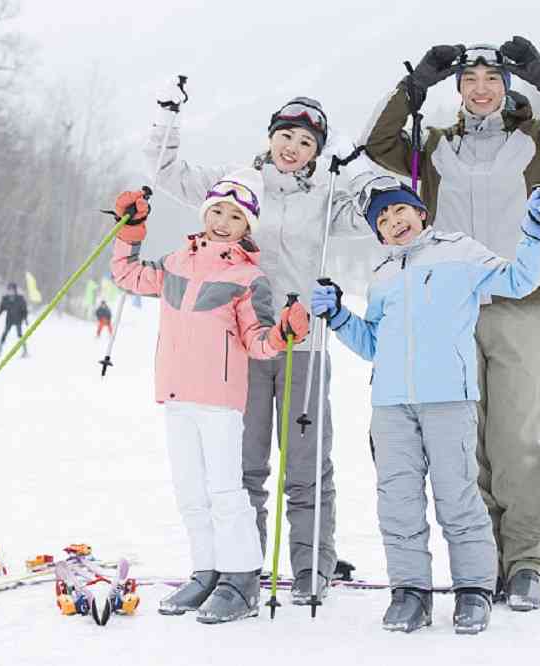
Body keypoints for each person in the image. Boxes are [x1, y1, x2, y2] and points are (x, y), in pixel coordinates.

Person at [363, 37, 540, 610]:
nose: (481, 89)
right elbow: (377, 141)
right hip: (445, 309)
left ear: (507, 88)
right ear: (457, 90)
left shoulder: (537, 139)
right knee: (464, 440)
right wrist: (413, 87)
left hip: (517, 301)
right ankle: (484, 562)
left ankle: (527, 560)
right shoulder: (431, 147)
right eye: (470, 80)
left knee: (515, 439)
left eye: (493, 80)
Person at [147, 83, 376, 603]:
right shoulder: (235, 184)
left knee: (306, 463)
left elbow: (379, 214)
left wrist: (359, 165)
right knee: (242, 466)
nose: (291, 147)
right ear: (270, 137)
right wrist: (168, 118)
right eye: (284, 135)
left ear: (318, 151)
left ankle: (311, 568)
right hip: (239, 346)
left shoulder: (326, 194)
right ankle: (238, 570)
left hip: (304, 343)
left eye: (305, 141)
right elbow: (166, 173)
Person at [311, 180, 540, 633]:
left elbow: (520, 279)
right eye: (381, 221)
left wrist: (535, 230)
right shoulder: (382, 274)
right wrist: (340, 316)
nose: (393, 222)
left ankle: (474, 589)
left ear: (422, 212)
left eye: (399, 211)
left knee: (457, 496)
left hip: (447, 399)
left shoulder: (458, 251)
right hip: (390, 406)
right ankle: (410, 591)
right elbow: (373, 345)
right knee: (397, 501)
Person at [109, 170, 310, 623]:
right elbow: (126, 274)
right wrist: (131, 232)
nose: (223, 220)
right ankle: (207, 570)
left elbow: (257, 340)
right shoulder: (176, 262)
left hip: (219, 398)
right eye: (217, 210)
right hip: (176, 392)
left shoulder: (248, 276)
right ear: (205, 214)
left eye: (236, 215)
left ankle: (240, 580)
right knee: (190, 491)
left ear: (247, 226)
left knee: (225, 490)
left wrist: (282, 334)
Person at [0, 282, 28, 358]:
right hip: (9, 320)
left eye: (12, 290)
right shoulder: (5, 298)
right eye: (9, 290)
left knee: (20, 335)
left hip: (18, 319)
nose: (10, 292)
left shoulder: (20, 299)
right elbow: (2, 307)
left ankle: (25, 351)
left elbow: (24, 310)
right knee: (4, 334)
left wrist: (25, 319)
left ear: (15, 290)